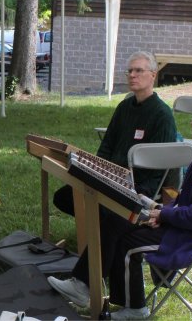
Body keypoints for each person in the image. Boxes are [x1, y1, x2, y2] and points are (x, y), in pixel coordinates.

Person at [47, 98, 192, 320]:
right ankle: (84, 285)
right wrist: (161, 210)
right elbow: (188, 203)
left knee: (128, 243)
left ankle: (134, 308)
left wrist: (165, 215)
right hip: (183, 228)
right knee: (117, 220)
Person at [53, 51, 177, 215]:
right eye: (129, 71)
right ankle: (95, 231)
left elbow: (158, 170)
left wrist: (138, 194)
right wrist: (95, 173)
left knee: (102, 207)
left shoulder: (162, 114)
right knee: (63, 197)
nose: (132, 75)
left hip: (137, 187)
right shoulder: (124, 107)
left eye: (138, 70)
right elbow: (106, 147)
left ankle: (102, 233)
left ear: (153, 75)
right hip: (111, 177)